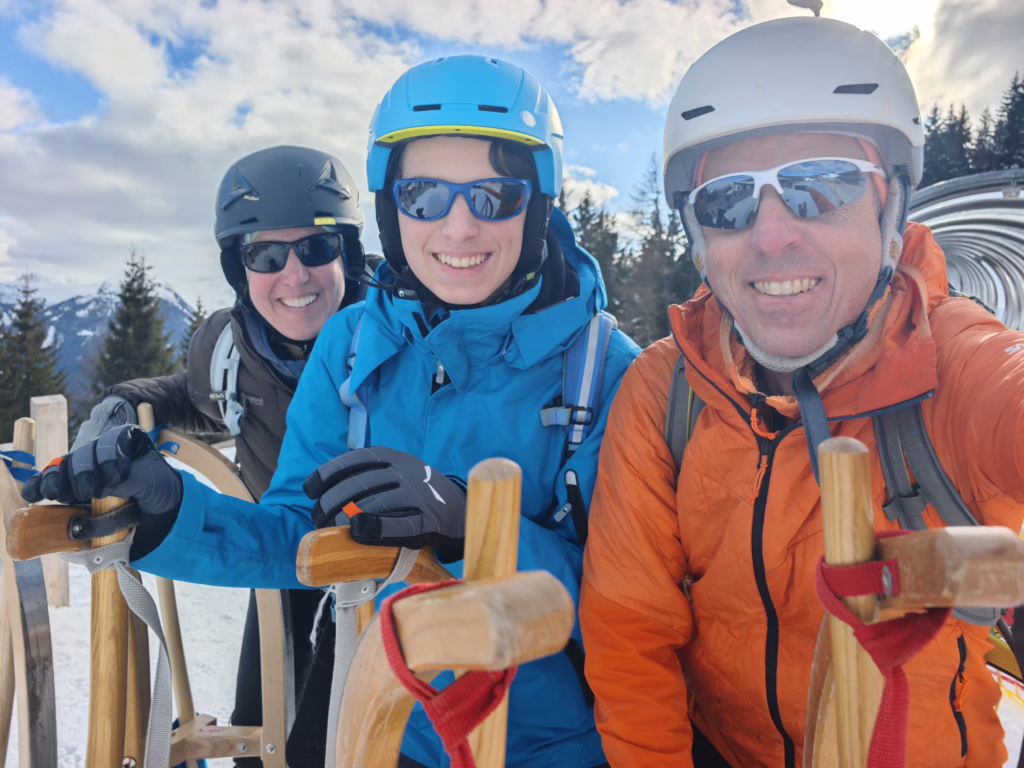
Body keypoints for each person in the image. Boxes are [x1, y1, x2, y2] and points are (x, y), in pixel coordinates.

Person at [27, 55, 638, 767]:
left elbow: (633, 608)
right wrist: (172, 509)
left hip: (552, 748)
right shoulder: (352, 349)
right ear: (390, 207)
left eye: (496, 195)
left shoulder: (606, 371)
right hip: (392, 729)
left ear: (541, 202)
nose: (461, 227)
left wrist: (471, 526)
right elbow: (297, 537)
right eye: (424, 196)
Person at [579, 16, 1024, 768]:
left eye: (822, 185)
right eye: (728, 203)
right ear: (700, 237)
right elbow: (632, 636)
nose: (773, 235)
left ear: (891, 212)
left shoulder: (951, 360)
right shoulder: (664, 391)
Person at [71, 144, 366, 765]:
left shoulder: (395, 339)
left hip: (385, 575)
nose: (295, 275)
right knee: (261, 743)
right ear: (239, 268)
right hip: (280, 562)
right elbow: (184, 396)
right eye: (264, 253)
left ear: (349, 252)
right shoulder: (228, 352)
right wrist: (118, 409)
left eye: (317, 247)